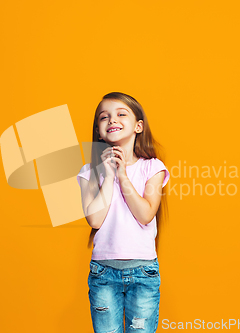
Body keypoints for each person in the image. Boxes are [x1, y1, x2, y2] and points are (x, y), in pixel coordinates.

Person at [77, 92, 170, 333]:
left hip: (143, 272)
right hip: (103, 273)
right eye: (104, 117)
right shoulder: (89, 171)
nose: (112, 120)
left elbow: (146, 214)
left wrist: (122, 176)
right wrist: (108, 176)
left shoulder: (153, 167)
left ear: (138, 126)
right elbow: (95, 220)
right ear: (99, 130)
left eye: (121, 114)